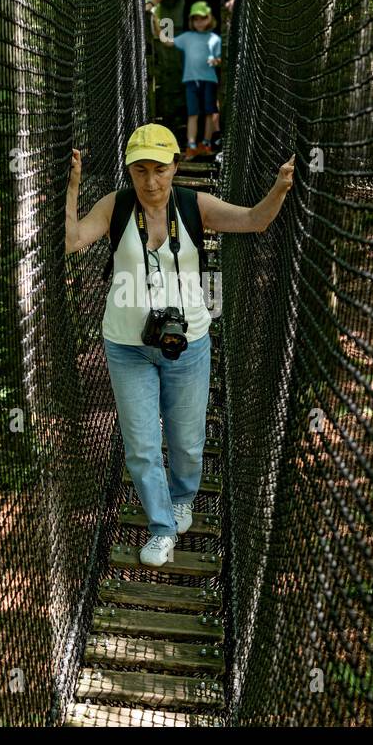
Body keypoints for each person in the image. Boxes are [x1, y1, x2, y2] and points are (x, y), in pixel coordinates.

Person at [65, 124, 294, 566]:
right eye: (140, 171)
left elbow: (254, 220)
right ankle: (161, 527)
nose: (151, 182)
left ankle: (183, 497)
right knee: (142, 446)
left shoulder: (193, 205)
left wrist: (280, 187)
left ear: (176, 167)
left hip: (188, 344)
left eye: (160, 170)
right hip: (126, 345)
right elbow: (73, 241)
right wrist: (73, 185)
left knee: (188, 441)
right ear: (129, 171)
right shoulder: (116, 206)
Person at [158, 1, 221, 158]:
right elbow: (167, 42)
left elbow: (219, 59)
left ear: (209, 19)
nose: (199, 22)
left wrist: (215, 61)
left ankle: (206, 143)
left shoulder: (215, 38)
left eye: (203, 18)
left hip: (209, 80)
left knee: (209, 112)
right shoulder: (187, 37)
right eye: (196, 19)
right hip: (191, 81)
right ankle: (191, 145)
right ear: (191, 21)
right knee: (192, 113)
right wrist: (156, 23)